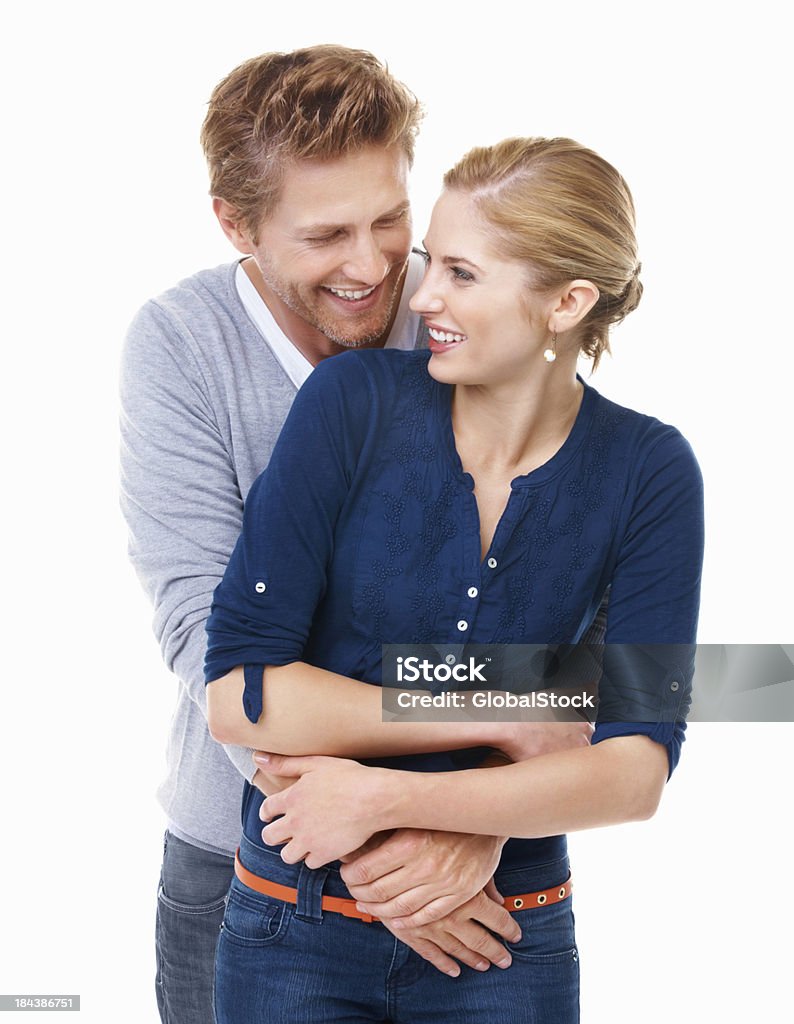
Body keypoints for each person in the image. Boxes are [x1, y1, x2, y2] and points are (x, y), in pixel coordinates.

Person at [120, 46, 588, 1024]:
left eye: (390, 219)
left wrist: (477, 817)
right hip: (249, 872)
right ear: (234, 225)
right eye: (327, 234)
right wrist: (378, 838)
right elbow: (208, 653)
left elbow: (587, 642)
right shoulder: (178, 346)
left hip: (474, 874)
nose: (373, 266)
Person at [204, 136, 705, 1023]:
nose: (421, 294)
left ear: (569, 302)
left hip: (507, 940)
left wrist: (403, 800)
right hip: (296, 929)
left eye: (462, 275)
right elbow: (242, 697)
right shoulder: (351, 401)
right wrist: (517, 710)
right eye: (433, 261)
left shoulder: (651, 469)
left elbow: (634, 768)